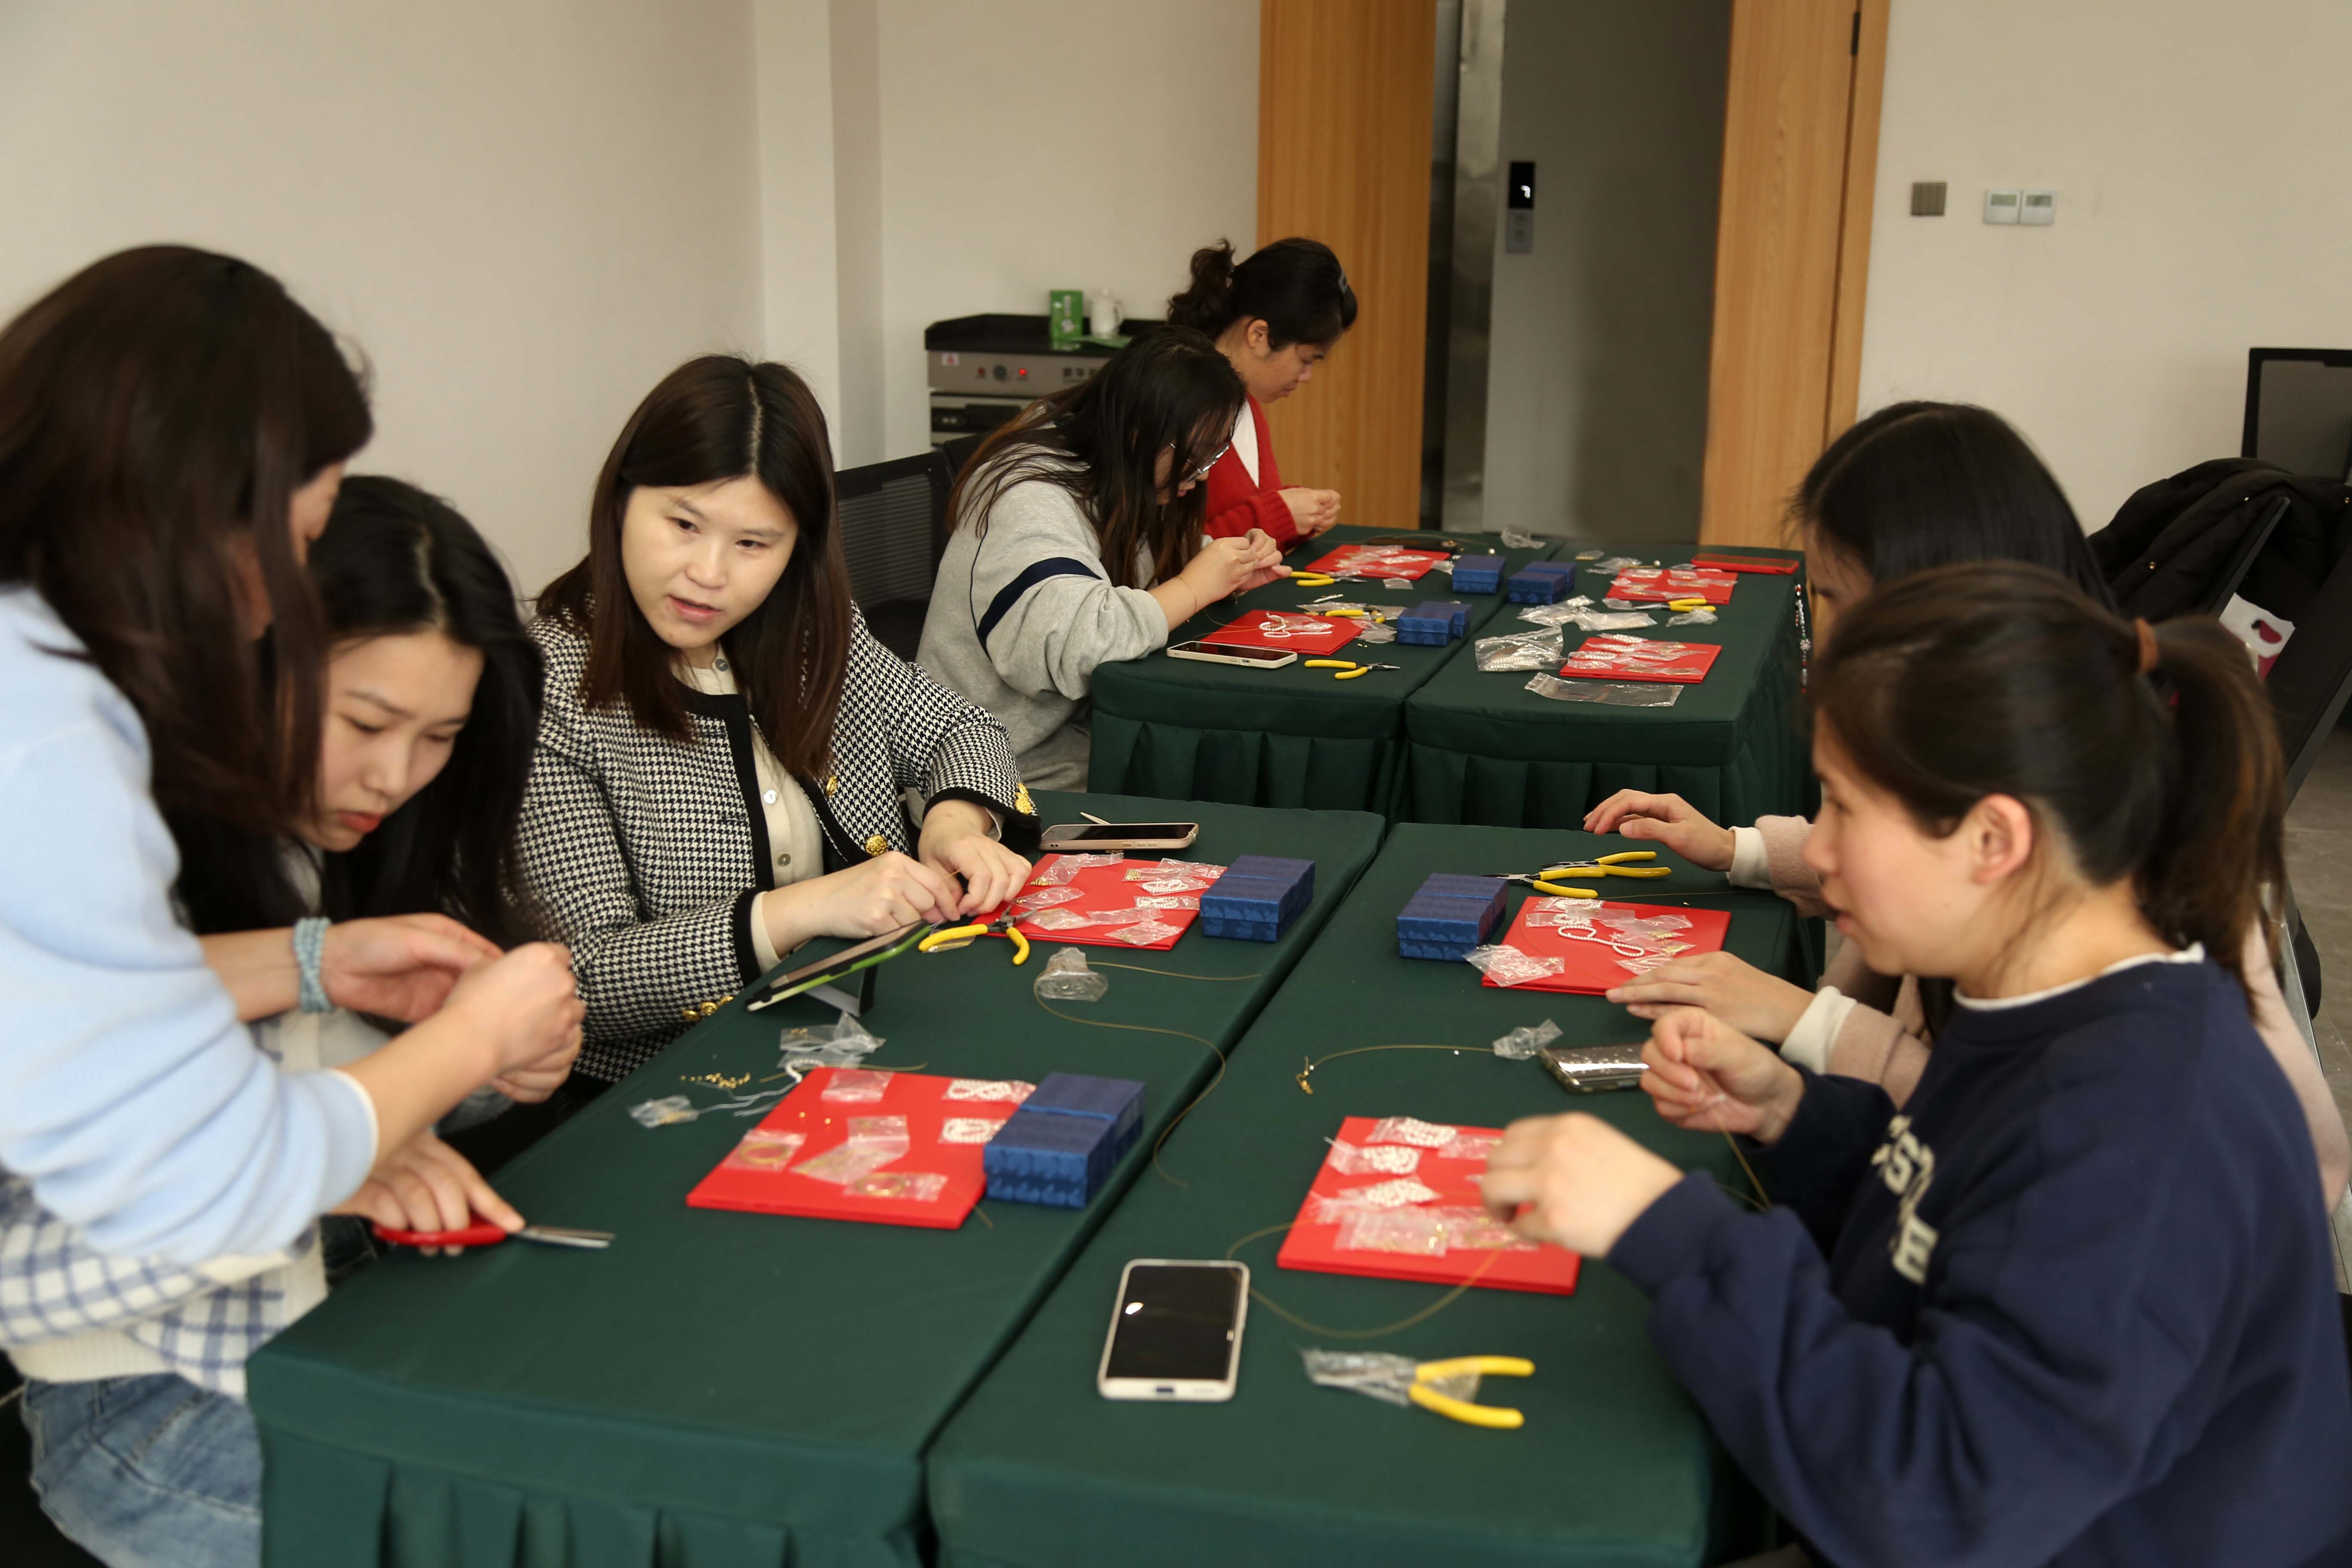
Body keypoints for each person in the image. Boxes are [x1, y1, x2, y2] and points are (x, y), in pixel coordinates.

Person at [1484, 563, 2352, 1567]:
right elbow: (1963, 1211)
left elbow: (1939, 1506)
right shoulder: (2037, 997)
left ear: (1992, 839)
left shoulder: (2144, 1125)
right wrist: (1796, 1116)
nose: (1822, 854)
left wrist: (1671, 1232)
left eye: (1847, 811)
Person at [0, 248, 582, 1568]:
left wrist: (329, 972)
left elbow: (79, 1004)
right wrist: (469, 1044)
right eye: (294, 540)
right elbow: (217, 1171)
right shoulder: (59, 741)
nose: (278, 596)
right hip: (150, 1387)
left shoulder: (54, 697)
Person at [1583, 401, 2349, 1204]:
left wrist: (1814, 1026)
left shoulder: (2115, 1016)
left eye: (1835, 598)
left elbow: (2012, 1119)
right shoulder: (2031, 739)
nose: (1824, 638)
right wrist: (1741, 850)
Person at [525, 355, 1038, 1081]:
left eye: (753, 543)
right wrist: (805, 909)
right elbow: (582, 977)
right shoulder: (546, 685)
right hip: (676, 1081)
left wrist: (953, 823)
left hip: (863, 1029)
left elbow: (959, 727)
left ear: (798, 545)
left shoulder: (809, 628)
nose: (708, 573)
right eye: (683, 523)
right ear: (620, 500)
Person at [177, 475, 572, 1247]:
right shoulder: (137, 841)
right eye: (364, 723)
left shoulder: (383, 836)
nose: (393, 778)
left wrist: (502, 1061)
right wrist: (472, 1040)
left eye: (439, 736)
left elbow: (376, 1065)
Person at [920, 327, 1288, 788]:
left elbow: (1137, 564)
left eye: (1213, 457)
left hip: (1090, 744)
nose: (1200, 476)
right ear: (1137, 433)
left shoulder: (1116, 475)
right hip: (997, 777)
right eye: (1195, 456)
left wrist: (1223, 567)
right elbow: (1079, 646)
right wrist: (1193, 588)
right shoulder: (1028, 498)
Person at [1165, 237, 1355, 545]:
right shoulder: (1178, 406)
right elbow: (1163, 553)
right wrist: (1279, 514)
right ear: (1258, 335)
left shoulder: (1245, 403)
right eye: (1306, 359)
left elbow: (1246, 521)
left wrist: (1297, 515)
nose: (1306, 376)